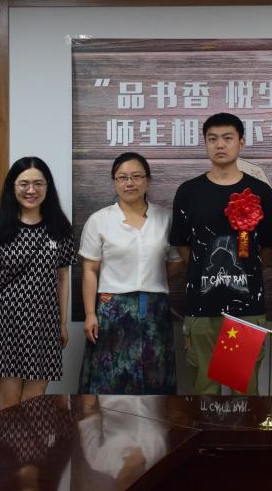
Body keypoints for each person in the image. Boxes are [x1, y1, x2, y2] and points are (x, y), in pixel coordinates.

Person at [169, 112, 272, 395]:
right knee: (204, 390)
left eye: (227, 138)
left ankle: (245, 430)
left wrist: (245, 270)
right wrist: (207, 267)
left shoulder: (260, 192)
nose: (220, 145)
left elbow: (269, 247)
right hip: (201, 306)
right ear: (205, 143)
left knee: (244, 390)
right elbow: (182, 244)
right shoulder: (188, 192)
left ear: (241, 143)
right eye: (213, 139)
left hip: (247, 308)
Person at [0, 156, 74, 412]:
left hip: (44, 324)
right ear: (12, 187)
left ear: (47, 187)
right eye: (24, 183)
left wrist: (61, 323)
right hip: (3, 324)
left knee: (33, 404)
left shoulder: (60, 229)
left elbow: (62, 278)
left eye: (38, 183)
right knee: (8, 405)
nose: (31, 190)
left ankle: (30, 444)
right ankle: (5, 444)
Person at [79, 152, 179, 395]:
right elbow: (90, 269)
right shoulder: (99, 220)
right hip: (112, 311)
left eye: (136, 176)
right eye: (122, 177)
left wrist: (151, 276)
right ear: (114, 182)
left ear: (147, 180)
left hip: (154, 310)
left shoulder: (165, 218)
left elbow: (176, 262)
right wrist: (91, 314)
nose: (129, 183)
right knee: (111, 379)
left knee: (154, 378)